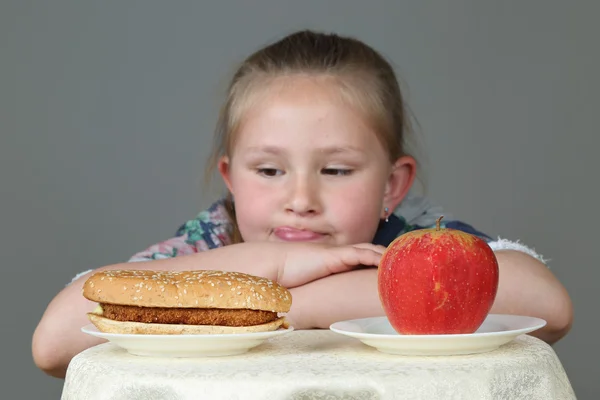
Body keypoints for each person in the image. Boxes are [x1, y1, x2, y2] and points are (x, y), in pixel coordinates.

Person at [32, 30, 573, 379]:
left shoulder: (410, 249)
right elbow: (56, 340)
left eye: (335, 170)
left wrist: (292, 307)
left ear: (392, 185)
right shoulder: (209, 245)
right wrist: (275, 268)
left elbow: (545, 302)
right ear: (231, 178)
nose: (300, 200)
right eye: (269, 171)